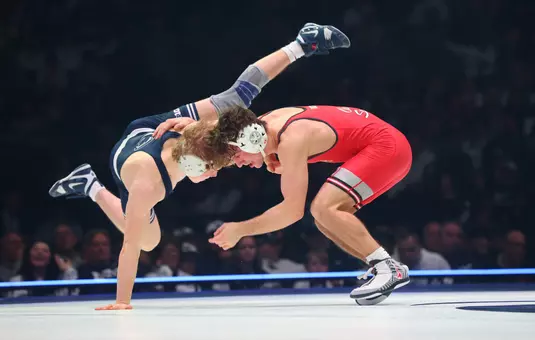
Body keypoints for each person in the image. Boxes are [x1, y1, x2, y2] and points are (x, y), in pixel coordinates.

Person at [48, 23, 350, 310]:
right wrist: (122, 300)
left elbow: (209, 136)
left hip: (156, 130)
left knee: (236, 98)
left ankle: (302, 43)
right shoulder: (144, 188)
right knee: (147, 240)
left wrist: (253, 146)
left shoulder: (195, 136)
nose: (217, 174)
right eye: (213, 169)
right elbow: (129, 249)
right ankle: (92, 186)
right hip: (136, 165)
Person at [156, 104, 412, 300]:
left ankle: (389, 268)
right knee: (324, 217)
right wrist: (192, 127)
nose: (238, 162)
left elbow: (292, 211)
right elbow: (223, 125)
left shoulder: (292, 140)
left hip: (387, 148)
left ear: (252, 140)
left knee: (323, 208)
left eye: (237, 153)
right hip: (383, 143)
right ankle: (383, 267)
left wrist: (241, 229)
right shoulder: (261, 126)